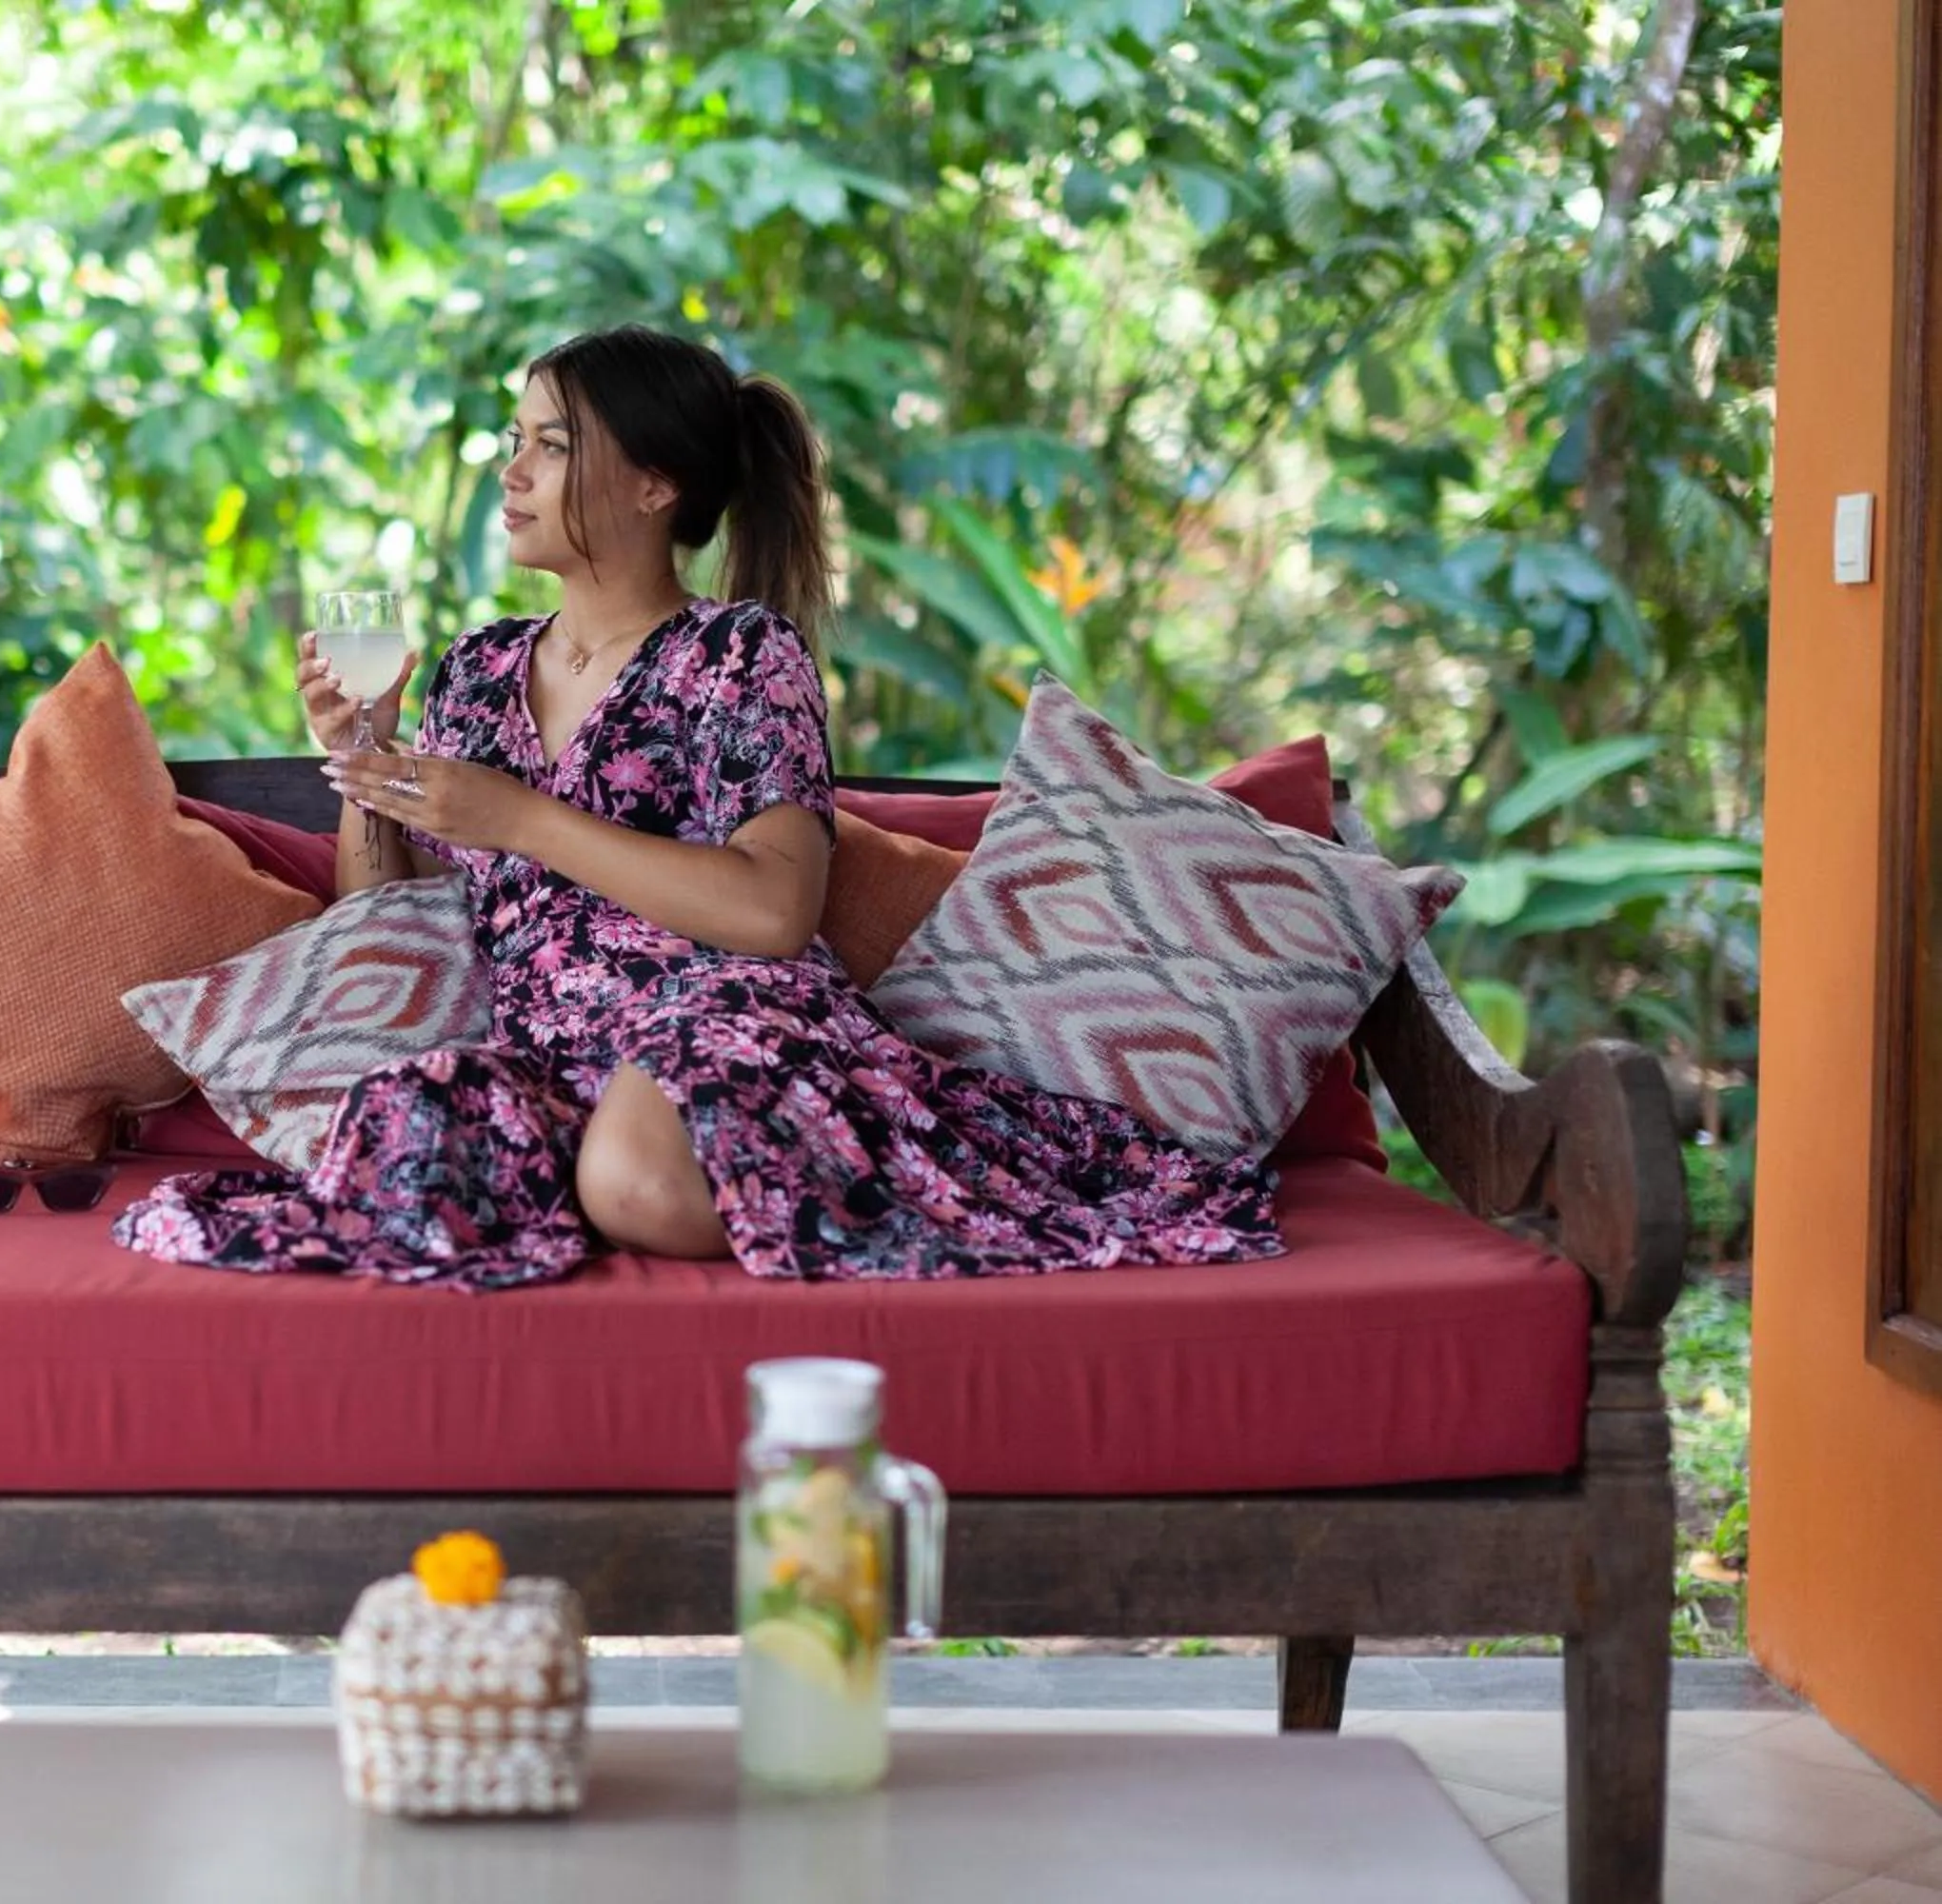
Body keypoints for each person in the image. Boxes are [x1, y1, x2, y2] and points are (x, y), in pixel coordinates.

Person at [112, 326, 1280, 1290]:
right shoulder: (475, 669)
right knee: (413, 1127)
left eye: (551, 445)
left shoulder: (740, 655)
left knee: (633, 1178)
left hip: (727, 1020)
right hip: (551, 1051)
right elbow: (385, 908)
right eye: (514, 441)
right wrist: (363, 757)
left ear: (654, 484)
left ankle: (776, 1175)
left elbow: (775, 910)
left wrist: (522, 818)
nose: (510, 472)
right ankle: (608, 1170)